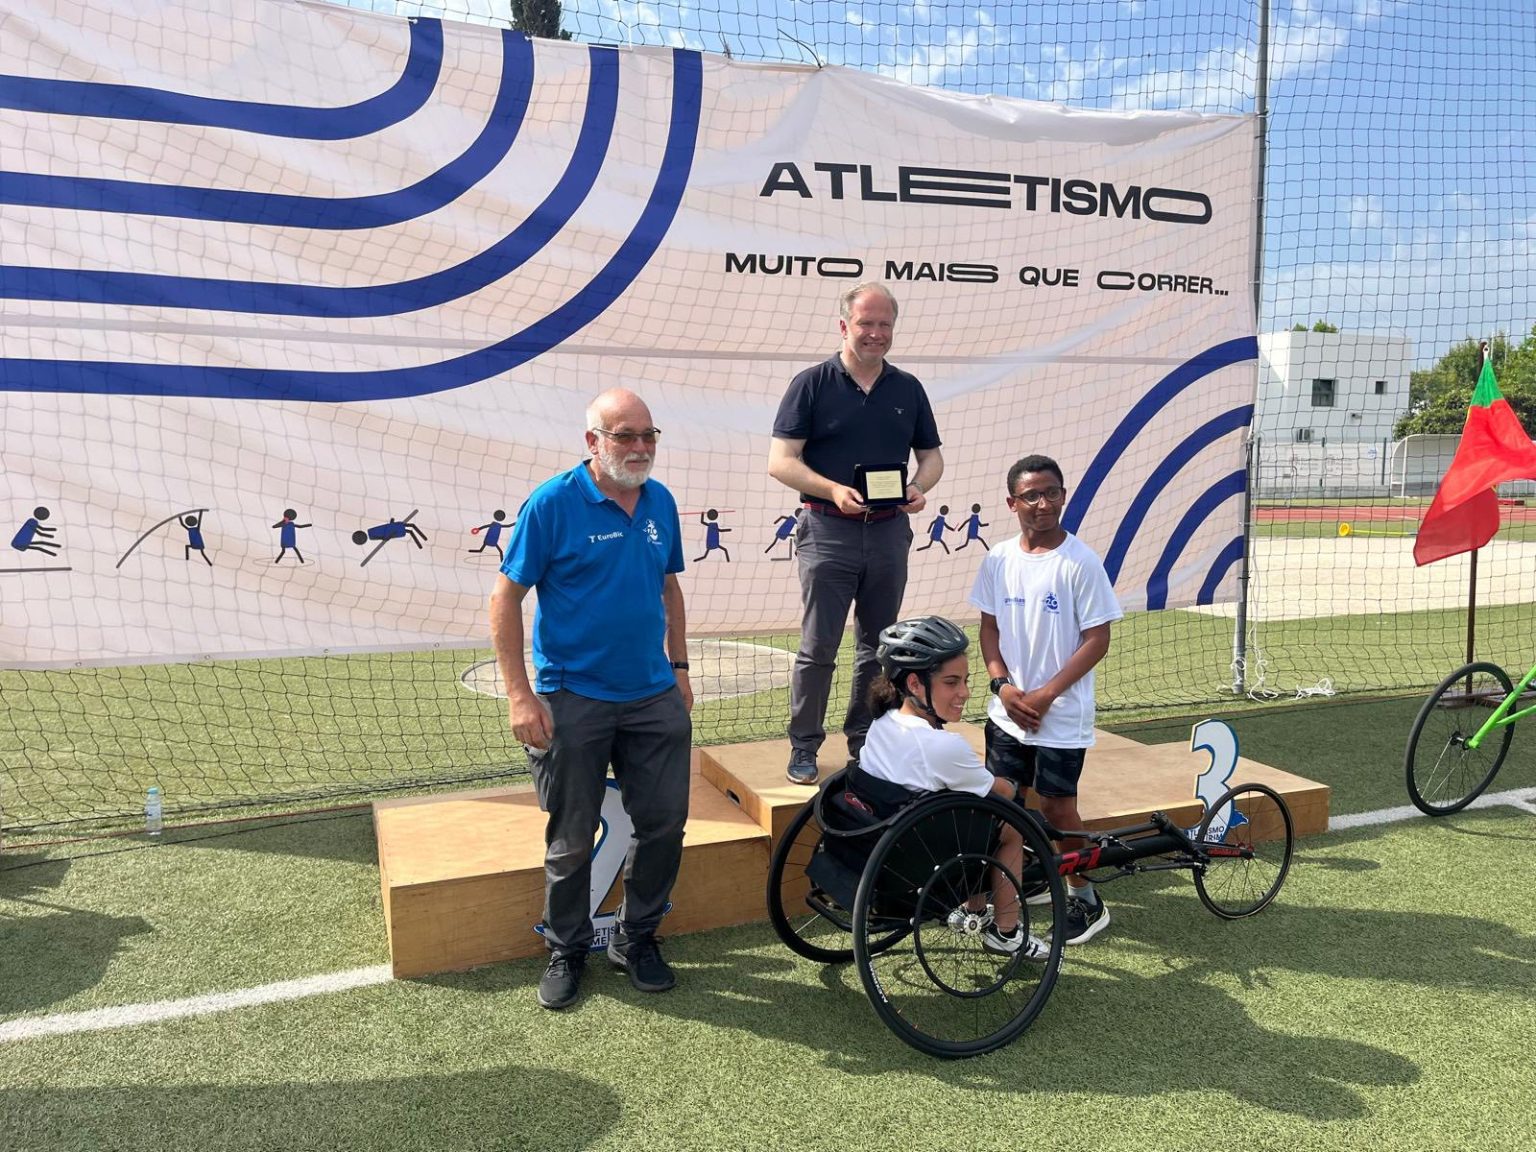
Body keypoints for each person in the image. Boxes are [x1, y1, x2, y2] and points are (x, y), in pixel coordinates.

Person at [489, 389, 694, 1011]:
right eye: (624, 435)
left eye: (648, 435)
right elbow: (504, 598)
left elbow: (669, 587)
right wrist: (520, 695)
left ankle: (637, 939)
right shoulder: (552, 503)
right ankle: (567, 948)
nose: (639, 447)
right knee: (573, 835)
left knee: (664, 826)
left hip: (653, 695)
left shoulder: (660, 501)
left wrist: (679, 667)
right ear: (593, 441)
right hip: (572, 696)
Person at [769, 282, 944, 785]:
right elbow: (781, 461)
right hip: (827, 530)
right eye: (866, 323)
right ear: (844, 326)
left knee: (879, 647)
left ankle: (865, 740)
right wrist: (832, 490)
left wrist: (918, 487)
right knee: (818, 647)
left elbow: (931, 458)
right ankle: (804, 746)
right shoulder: (811, 384)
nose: (876, 333)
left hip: (888, 533)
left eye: (885, 324)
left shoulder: (908, 388)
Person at [969, 454, 1123, 946]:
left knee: (1058, 809)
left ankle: (1085, 898)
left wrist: (1046, 695)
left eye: (1051, 492)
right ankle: (1018, 885)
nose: (1043, 503)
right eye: (1031, 495)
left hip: (1060, 715)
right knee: (1002, 806)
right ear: (1011, 503)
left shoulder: (1081, 562)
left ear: (1063, 496)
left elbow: (1097, 639)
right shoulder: (998, 559)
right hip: (1007, 713)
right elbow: (988, 629)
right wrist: (1003, 687)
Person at [849, 616, 1049, 960]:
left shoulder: (882, 723)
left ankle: (976, 908)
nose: (964, 693)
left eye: (966, 681)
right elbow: (1000, 792)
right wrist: (1011, 782)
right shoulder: (943, 747)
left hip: (879, 837)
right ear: (914, 683)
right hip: (921, 856)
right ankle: (1006, 932)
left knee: (971, 819)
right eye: (951, 682)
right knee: (1011, 827)